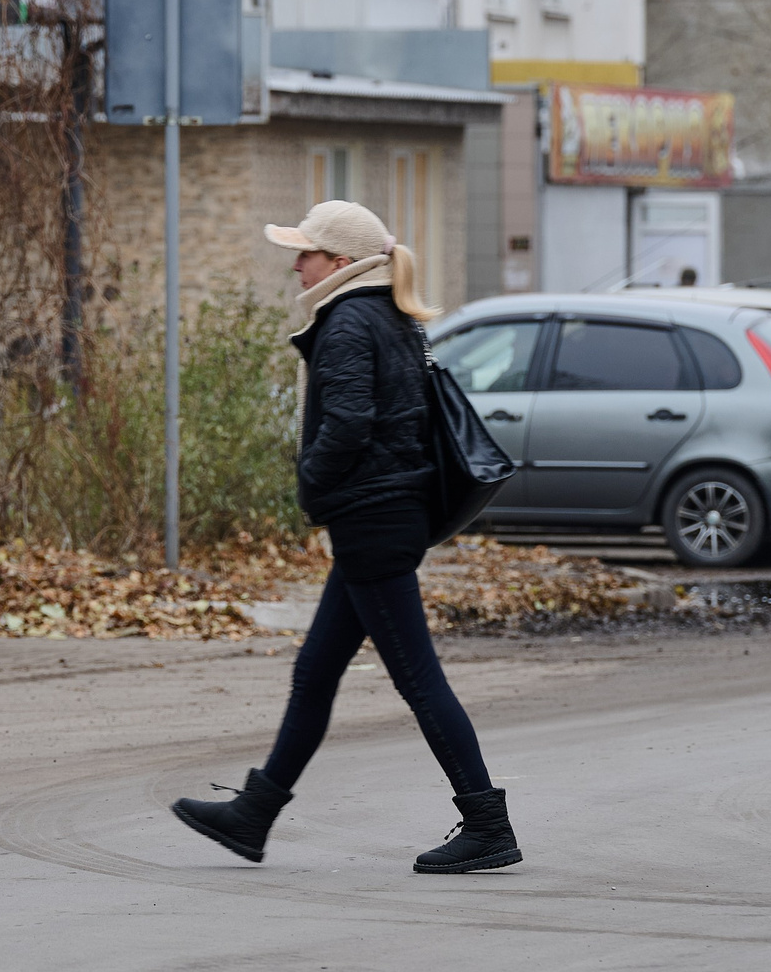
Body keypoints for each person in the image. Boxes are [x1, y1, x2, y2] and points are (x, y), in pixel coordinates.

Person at [171, 200, 522, 876]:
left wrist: (310, 482)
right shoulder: (387, 315)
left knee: (420, 681)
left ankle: (487, 824)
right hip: (387, 515)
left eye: (304, 253)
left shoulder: (349, 322)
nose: (295, 264)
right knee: (315, 674)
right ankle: (254, 814)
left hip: (372, 520)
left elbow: (351, 421)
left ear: (338, 263)